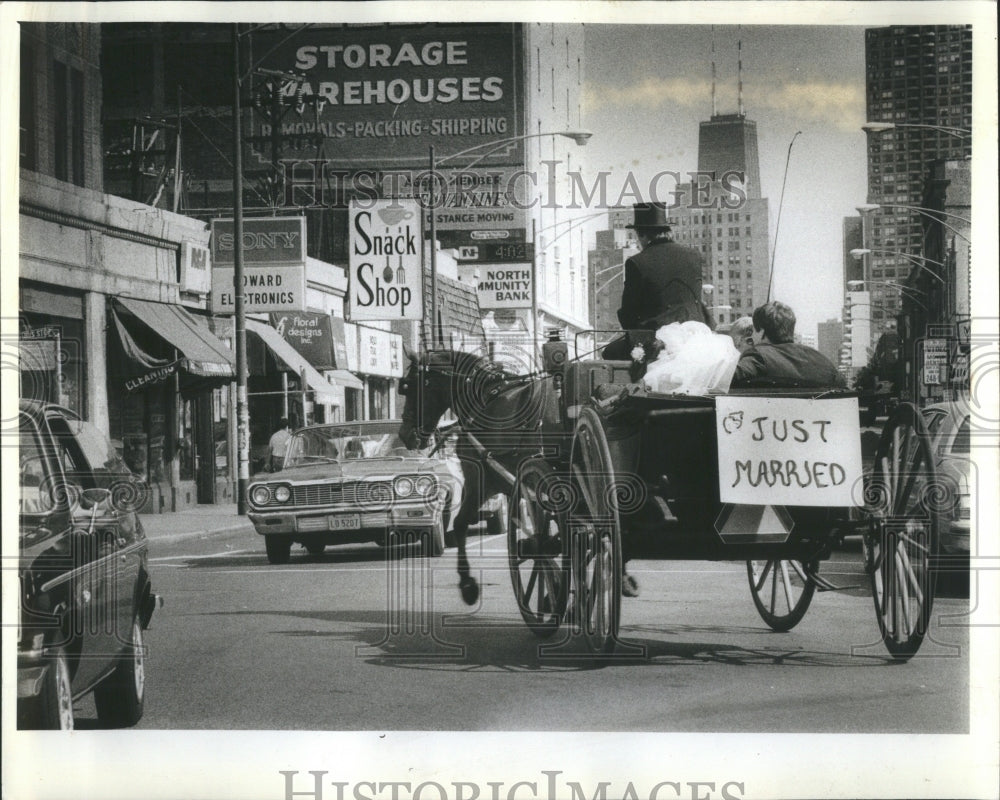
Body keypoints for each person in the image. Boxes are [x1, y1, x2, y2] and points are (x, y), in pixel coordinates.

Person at [603, 202, 713, 360]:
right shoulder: (694, 256)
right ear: (667, 230)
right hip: (696, 334)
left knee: (610, 353)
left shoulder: (637, 262)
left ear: (642, 235)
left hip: (658, 338)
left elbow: (628, 311)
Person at [732, 301, 846, 388]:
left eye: (753, 332)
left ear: (761, 331)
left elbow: (725, 380)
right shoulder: (823, 361)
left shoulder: (758, 357)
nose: (751, 337)